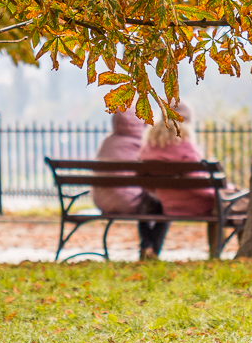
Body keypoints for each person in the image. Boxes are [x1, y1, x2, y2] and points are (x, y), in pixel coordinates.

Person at [138, 101, 217, 258]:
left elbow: (145, 182)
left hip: (166, 203)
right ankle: (215, 254)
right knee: (224, 205)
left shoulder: (149, 145)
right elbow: (199, 185)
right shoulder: (186, 145)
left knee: (150, 205)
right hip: (194, 205)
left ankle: (149, 249)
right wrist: (218, 192)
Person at [91, 109, 164, 257]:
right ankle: (150, 248)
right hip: (127, 202)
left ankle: (147, 248)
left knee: (145, 202)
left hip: (101, 202)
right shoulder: (141, 144)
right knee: (162, 204)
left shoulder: (107, 142)